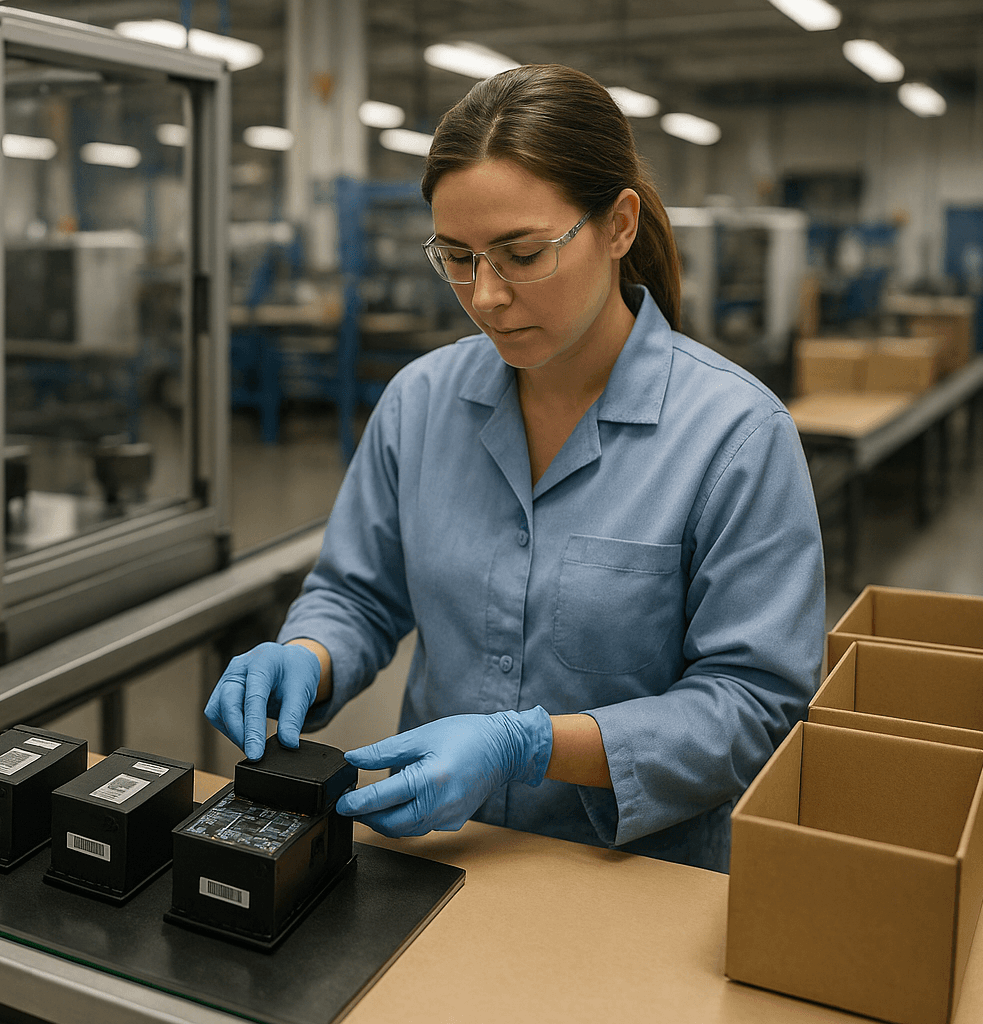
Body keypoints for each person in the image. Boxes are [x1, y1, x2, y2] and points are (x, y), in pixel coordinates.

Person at [204, 64, 825, 873]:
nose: (485, 295)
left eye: (521, 254)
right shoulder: (420, 403)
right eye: (456, 257)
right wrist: (308, 657)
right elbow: (358, 592)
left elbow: (754, 707)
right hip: (436, 863)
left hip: (635, 882)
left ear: (620, 225)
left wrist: (530, 746)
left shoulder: (734, 437)